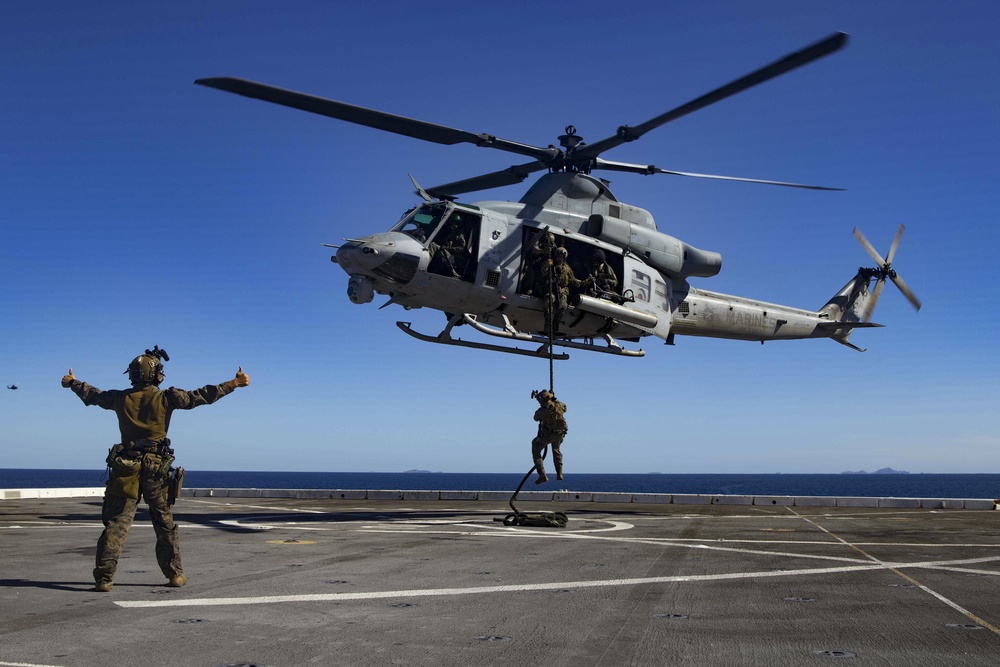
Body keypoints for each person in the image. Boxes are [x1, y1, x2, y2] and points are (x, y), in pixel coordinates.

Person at [61, 347, 250, 592]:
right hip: (155, 469)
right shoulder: (166, 398)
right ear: (156, 374)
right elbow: (201, 396)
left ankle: (104, 578)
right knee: (164, 523)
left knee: (116, 525)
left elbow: (93, 395)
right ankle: (175, 575)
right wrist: (234, 383)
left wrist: (73, 383)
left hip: (125, 468)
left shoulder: (119, 398)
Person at [535, 246, 580, 336]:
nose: (559, 259)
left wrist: (582, 282)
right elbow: (543, 272)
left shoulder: (567, 269)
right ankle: (547, 327)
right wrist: (546, 266)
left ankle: (555, 328)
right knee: (549, 301)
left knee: (562, 306)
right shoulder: (550, 264)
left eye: (561, 258)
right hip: (551, 290)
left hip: (562, 292)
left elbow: (573, 279)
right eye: (558, 257)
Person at [531, 389, 568, 484]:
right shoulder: (559, 405)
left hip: (549, 435)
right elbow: (565, 408)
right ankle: (559, 473)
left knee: (535, 447)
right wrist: (553, 399)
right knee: (556, 450)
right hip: (560, 433)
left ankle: (542, 474)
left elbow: (535, 418)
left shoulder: (541, 411)